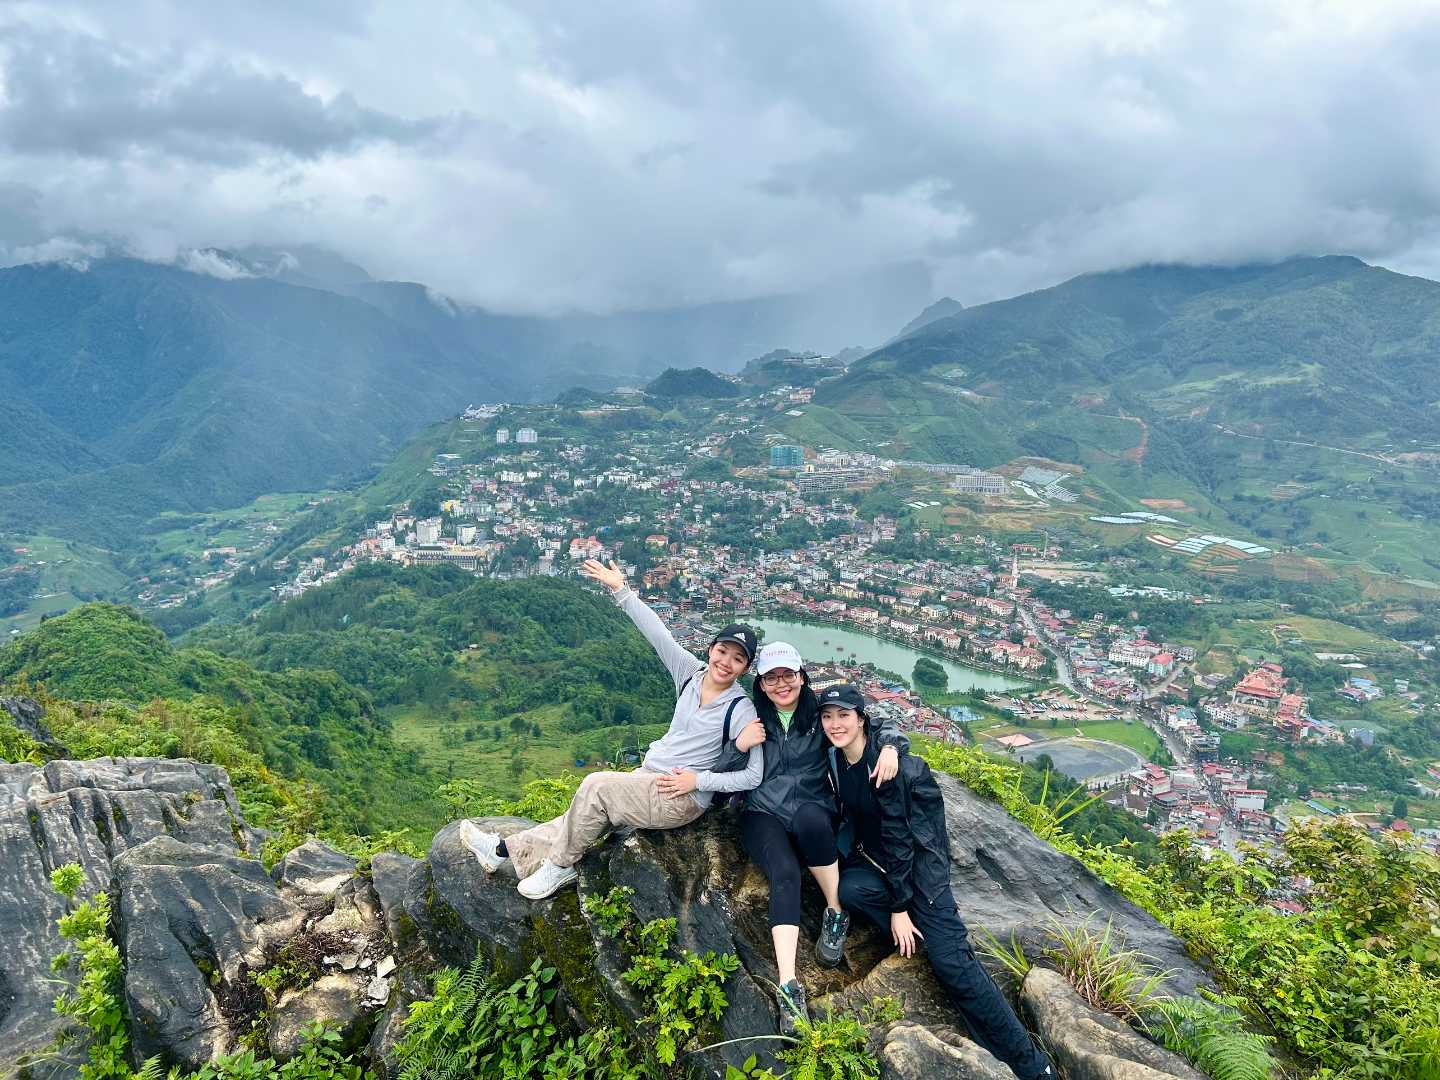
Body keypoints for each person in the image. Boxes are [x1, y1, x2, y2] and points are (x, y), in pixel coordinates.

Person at [460, 559, 763, 899]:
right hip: (650, 776)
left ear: (746, 667)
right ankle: (501, 850)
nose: (726, 662)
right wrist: (621, 590)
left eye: (737, 659)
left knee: (596, 786)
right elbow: (658, 633)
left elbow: (753, 776)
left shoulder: (741, 709)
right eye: (722, 651)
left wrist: (698, 780)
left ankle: (560, 867)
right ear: (711, 649)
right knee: (580, 815)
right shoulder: (691, 674)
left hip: (681, 797)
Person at [819, 684, 1055, 1080]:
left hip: (922, 873)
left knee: (953, 965)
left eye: (844, 715)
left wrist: (898, 908)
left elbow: (900, 841)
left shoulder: (885, 766)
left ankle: (1034, 1066)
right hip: (880, 867)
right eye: (828, 716)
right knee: (850, 890)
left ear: (862, 719)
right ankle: (915, 930)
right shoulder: (837, 757)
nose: (835, 724)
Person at [735, 642, 906, 1035]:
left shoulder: (820, 712)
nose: (781, 684)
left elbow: (874, 722)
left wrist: (893, 747)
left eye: (788, 675)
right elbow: (720, 753)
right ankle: (788, 984)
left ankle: (835, 910)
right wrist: (740, 744)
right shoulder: (748, 712)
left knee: (812, 821)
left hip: (813, 805)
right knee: (784, 871)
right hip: (762, 811)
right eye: (771, 677)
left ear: (801, 676)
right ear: (760, 683)